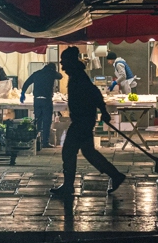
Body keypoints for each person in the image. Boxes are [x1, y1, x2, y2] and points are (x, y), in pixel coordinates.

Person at [51, 46, 125, 197]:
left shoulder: (78, 75)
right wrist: (102, 111)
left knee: (68, 151)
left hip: (82, 121)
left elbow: (95, 93)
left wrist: (103, 111)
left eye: (64, 62)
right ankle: (115, 175)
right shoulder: (76, 74)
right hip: (83, 119)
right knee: (89, 152)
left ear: (70, 61)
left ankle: (68, 186)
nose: (62, 65)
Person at [20, 63, 63, 148]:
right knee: (47, 122)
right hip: (46, 100)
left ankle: (36, 142)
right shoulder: (52, 73)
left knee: (38, 121)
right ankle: (45, 143)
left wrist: (23, 93)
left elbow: (26, 83)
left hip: (37, 100)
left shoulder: (37, 73)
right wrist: (53, 71)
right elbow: (60, 76)